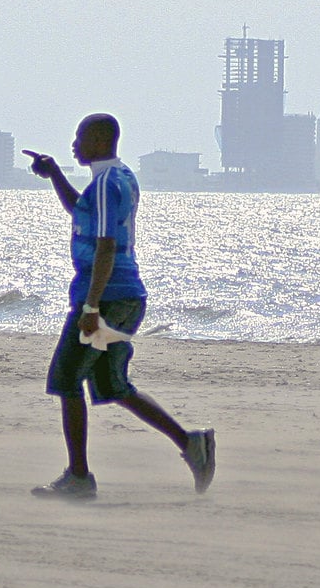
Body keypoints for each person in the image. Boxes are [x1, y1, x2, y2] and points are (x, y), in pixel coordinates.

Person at [27, 113, 213, 501]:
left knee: (66, 380)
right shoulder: (114, 179)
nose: (74, 144)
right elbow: (81, 211)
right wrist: (55, 175)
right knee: (113, 385)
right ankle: (191, 444)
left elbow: (107, 246)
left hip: (108, 297)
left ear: (98, 140)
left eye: (79, 137)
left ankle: (79, 477)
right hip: (123, 297)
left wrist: (92, 305)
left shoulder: (109, 183)